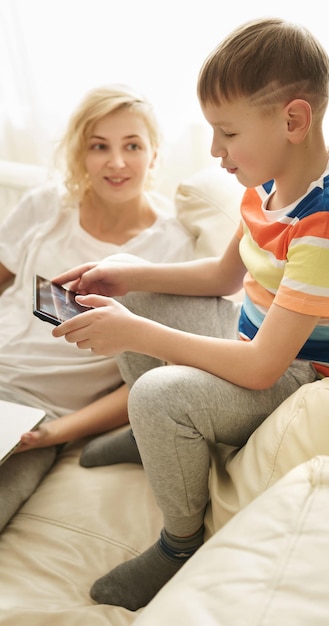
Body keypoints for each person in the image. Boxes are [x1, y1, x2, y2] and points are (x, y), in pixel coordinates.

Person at [52, 18, 329, 610]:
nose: (215, 152)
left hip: (305, 373)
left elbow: (264, 368)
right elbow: (222, 277)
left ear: (293, 121)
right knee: (131, 302)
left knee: (158, 391)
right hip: (256, 337)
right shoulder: (267, 185)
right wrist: (129, 272)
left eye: (227, 133)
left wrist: (134, 331)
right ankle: (149, 436)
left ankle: (180, 542)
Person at [0, 83, 195, 532]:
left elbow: (150, 380)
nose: (117, 162)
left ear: (155, 154)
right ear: (80, 154)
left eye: (132, 145)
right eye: (99, 146)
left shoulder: (172, 250)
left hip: (35, 413)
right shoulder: (48, 206)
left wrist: (53, 434)